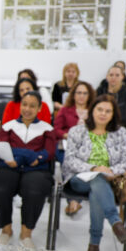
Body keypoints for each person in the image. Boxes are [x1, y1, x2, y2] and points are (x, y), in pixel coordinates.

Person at [62, 95, 126, 251]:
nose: (103, 114)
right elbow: (69, 160)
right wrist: (94, 168)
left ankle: (94, 245)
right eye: (99, 109)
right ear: (92, 110)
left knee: (97, 190)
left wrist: (111, 172)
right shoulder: (77, 131)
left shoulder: (120, 132)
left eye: (108, 111)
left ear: (113, 114)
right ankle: (115, 222)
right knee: (97, 179)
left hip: (108, 180)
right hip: (79, 178)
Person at [0, 91, 56, 248]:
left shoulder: (47, 128)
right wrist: (29, 156)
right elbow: (2, 146)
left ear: (39, 108)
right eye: (24, 105)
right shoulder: (8, 126)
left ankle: (26, 232)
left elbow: (49, 152)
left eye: (32, 106)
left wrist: (31, 157)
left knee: (34, 190)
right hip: (10, 165)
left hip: (36, 170)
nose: (27, 109)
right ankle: (6, 229)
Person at [53, 81, 95, 216]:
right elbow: (56, 129)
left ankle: (75, 199)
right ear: (73, 95)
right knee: (68, 163)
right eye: (79, 93)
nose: (81, 96)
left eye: (85, 93)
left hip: (88, 147)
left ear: (89, 95)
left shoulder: (95, 110)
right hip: (66, 145)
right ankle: (74, 201)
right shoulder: (65, 110)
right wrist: (68, 135)